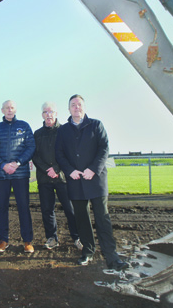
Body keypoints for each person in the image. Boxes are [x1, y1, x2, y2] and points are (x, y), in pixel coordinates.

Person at [55, 94, 129, 271]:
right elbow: (59, 154)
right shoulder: (63, 130)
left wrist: (93, 169)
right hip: (75, 180)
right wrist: (70, 171)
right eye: (73, 105)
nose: (76, 107)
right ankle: (88, 251)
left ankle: (111, 256)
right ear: (68, 109)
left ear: (84, 107)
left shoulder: (96, 125)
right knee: (81, 218)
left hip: (96, 180)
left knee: (102, 218)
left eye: (79, 104)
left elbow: (104, 148)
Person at [0, 100, 36, 253]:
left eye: (12, 107)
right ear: (2, 110)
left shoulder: (24, 126)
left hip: (20, 174)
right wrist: (2, 165)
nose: (9, 110)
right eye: (6, 108)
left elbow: (31, 147)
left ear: (15, 109)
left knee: (23, 207)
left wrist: (18, 163)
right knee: (1, 208)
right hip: (1, 175)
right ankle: (3, 240)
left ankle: (27, 241)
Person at [32, 101, 81, 251]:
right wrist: (47, 169)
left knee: (70, 209)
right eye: (45, 112)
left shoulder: (65, 131)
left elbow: (68, 153)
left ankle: (77, 237)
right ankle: (52, 238)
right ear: (42, 115)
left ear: (56, 113)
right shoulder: (37, 134)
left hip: (63, 178)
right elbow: (35, 155)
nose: (48, 115)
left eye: (51, 112)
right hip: (44, 178)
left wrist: (56, 169)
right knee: (47, 210)